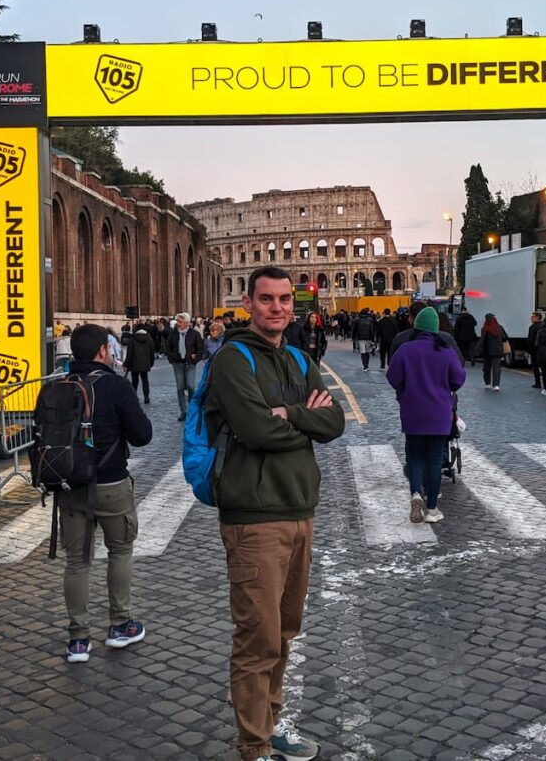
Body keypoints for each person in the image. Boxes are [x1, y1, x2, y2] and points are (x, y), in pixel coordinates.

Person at [205, 266, 345, 761]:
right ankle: (254, 746)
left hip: (301, 509)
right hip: (254, 517)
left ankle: (270, 723)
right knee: (257, 638)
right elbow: (256, 430)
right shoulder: (232, 360)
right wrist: (303, 420)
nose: (278, 307)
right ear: (248, 304)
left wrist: (290, 414)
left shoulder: (299, 358)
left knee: (284, 632)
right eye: (266, 299)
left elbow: (335, 422)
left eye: (285, 299)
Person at [60, 324, 152, 663]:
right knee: (120, 550)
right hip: (112, 483)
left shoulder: (57, 388)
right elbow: (142, 435)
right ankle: (120, 624)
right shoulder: (116, 386)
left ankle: (78, 640)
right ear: (102, 351)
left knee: (77, 561)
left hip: (72, 488)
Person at [387, 307, 466, 524]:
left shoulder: (405, 350)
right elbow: (458, 380)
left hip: (412, 411)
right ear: (436, 328)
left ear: (416, 326)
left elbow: (393, 377)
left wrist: (406, 389)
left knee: (414, 456)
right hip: (439, 413)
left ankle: (415, 493)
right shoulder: (446, 351)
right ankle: (431, 509)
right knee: (434, 460)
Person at [166, 312, 203, 421]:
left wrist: (195, 359)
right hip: (177, 364)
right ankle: (184, 411)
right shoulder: (173, 334)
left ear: (187, 323)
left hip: (190, 363)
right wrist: (171, 359)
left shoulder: (194, 334)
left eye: (180, 321)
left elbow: (200, 348)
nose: (178, 323)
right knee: (180, 387)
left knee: (191, 386)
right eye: (178, 321)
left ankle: (192, 408)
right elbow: (168, 347)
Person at [391, 302, 460, 359]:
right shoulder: (446, 339)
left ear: (412, 318)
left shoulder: (402, 340)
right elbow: (459, 362)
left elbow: (393, 365)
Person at [124, 324, 156, 404]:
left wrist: (126, 364)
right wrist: (151, 362)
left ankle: (134, 396)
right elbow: (152, 352)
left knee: (134, 381)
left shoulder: (132, 339)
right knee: (145, 380)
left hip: (134, 363)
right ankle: (146, 397)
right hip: (145, 363)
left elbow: (129, 353)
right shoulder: (149, 338)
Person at [478, 313, 508, 392]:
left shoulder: (485, 328)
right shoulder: (500, 328)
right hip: (497, 351)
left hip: (487, 351)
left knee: (486, 368)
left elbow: (482, 340)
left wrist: (478, 349)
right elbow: (505, 337)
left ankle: (487, 383)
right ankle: (496, 385)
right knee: (496, 368)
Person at [526, 312, 543, 388]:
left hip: (535, 351)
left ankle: (538, 383)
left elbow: (530, 340)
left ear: (537, 318)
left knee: (536, 368)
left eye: (533, 317)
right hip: (544, 350)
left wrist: (529, 350)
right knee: (545, 367)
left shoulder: (533, 327)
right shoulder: (543, 326)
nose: (531, 318)